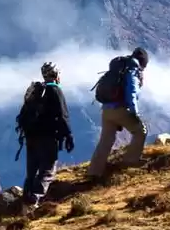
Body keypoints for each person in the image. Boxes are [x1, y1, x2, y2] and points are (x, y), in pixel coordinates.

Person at [17, 62, 74, 209]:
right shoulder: (55, 91)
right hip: (47, 136)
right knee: (47, 169)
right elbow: (62, 115)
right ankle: (33, 201)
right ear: (56, 75)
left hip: (30, 136)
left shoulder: (36, 92)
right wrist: (68, 136)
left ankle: (25, 201)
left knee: (32, 170)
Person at [87, 47, 149, 178]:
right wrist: (135, 112)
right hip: (120, 108)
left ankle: (94, 172)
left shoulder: (119, 67)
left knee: (105, 141)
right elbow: (131, 91)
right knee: (140, 131)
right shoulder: (133, 69)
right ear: (143, 62)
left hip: (106, 109)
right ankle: (130, 162)